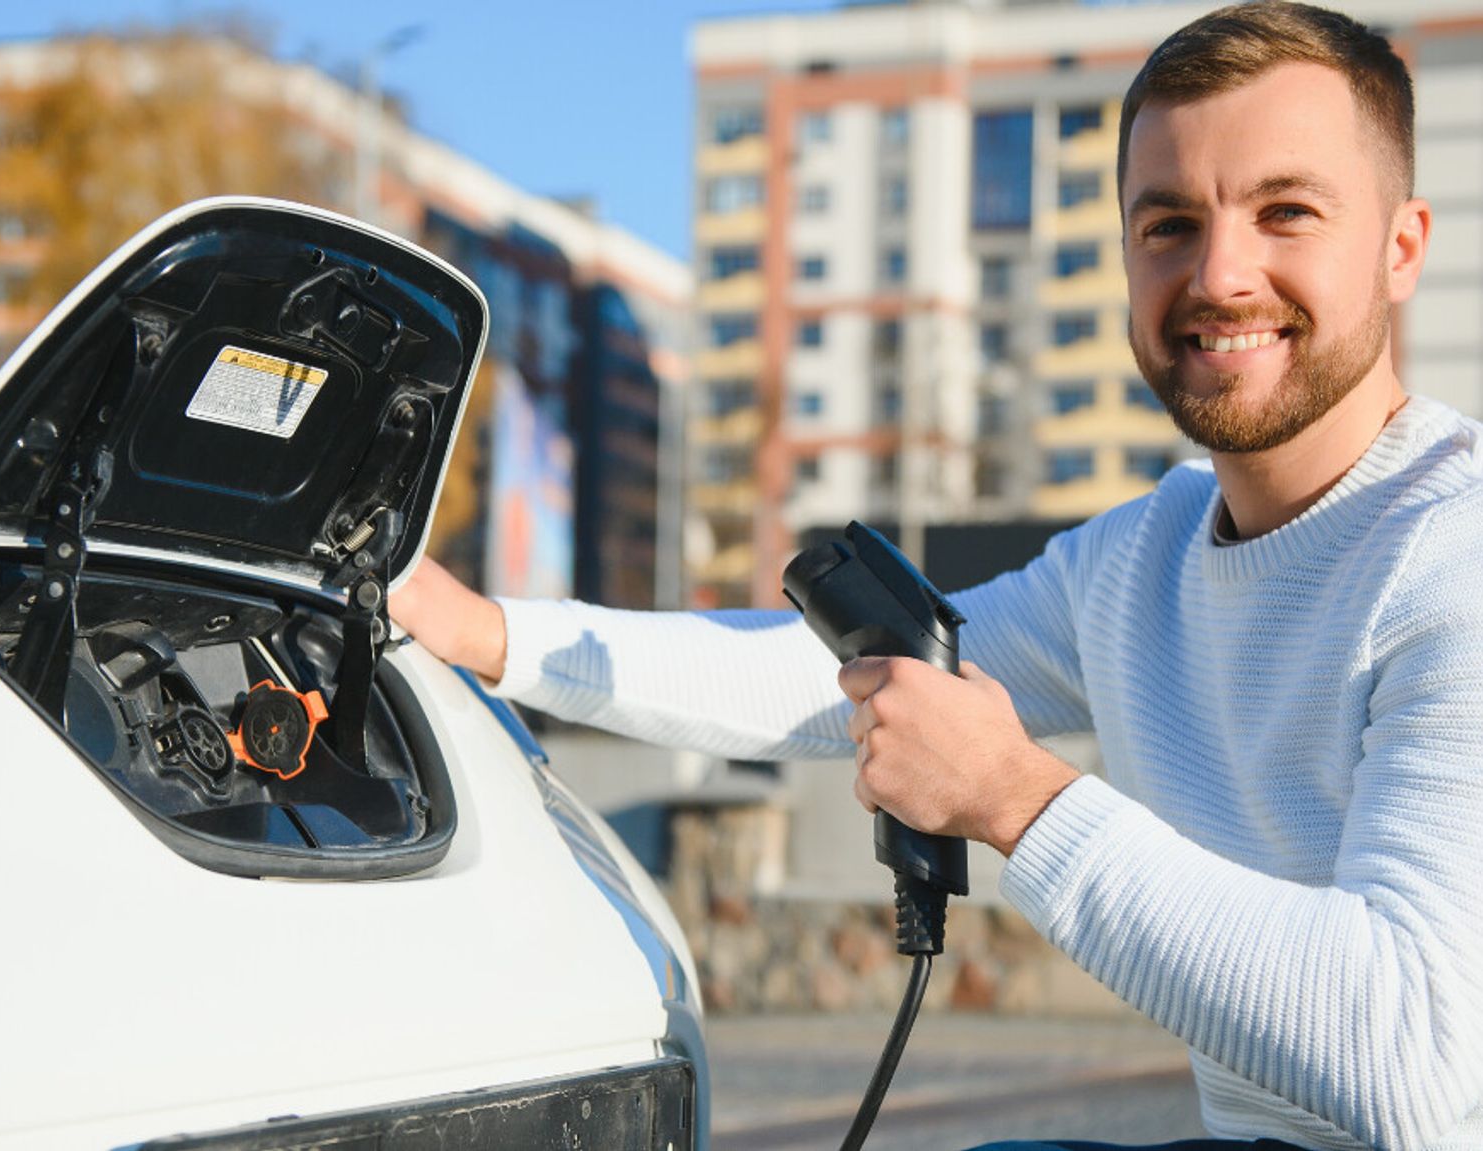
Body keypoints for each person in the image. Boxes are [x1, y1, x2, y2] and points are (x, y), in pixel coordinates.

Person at [390, 3, 1483, 1147]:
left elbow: (1412, 1059)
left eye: (1286, 212)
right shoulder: (1140, 557)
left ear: (1402, 246)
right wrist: (491, 634)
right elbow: (836, 676)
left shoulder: (1451, 550)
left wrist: (1013, 795)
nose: (1220, 272)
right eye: (1168, 223)